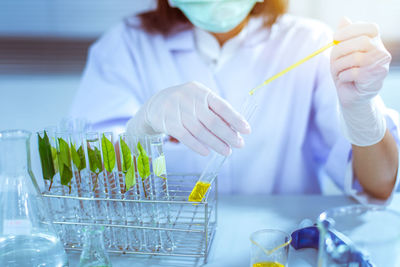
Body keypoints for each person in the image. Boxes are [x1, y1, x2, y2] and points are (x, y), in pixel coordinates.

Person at [70, 0, 399, 203]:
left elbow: (381, 186)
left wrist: (362, 112)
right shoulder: (125, 45)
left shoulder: (309, 43)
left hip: (279, 247)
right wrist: (140, 128)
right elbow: (85, 181)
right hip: (168, 248)